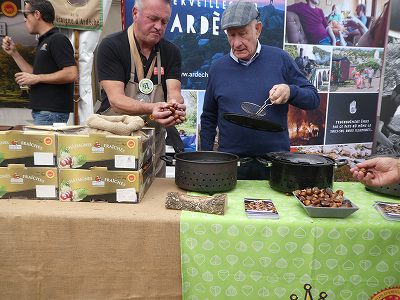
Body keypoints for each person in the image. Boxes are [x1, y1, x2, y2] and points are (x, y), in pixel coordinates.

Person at [200, 1, 320, 180]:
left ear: (258, 29)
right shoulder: (218, 68)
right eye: (231, 35)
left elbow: (313, 99)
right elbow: (209, 117)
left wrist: (290, 91)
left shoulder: (280, 59)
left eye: (243, 34)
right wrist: (205, 158)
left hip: (275, 164)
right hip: (231, 165)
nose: (237, 43)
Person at [96, 0, 185, 177]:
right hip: (117, 135)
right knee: (118, 189)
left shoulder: (171, 52)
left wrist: (175, 107)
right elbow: (116, 101)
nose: (158, 26)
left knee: (155, 192)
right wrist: (153, 108)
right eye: (153, 18)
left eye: (164, 22)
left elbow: (174, 93)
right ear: (135, 13)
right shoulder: (111, 46)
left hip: (153, 137)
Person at [1, 0, 78, 125]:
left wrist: (37, 78)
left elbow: (71, 74)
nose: (25, 20)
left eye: (26, 15)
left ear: (37, 14)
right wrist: (14, 53)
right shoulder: (45, 41)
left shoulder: (58, 39)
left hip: (51, 112)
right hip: (44, 112)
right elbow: (34, 74)